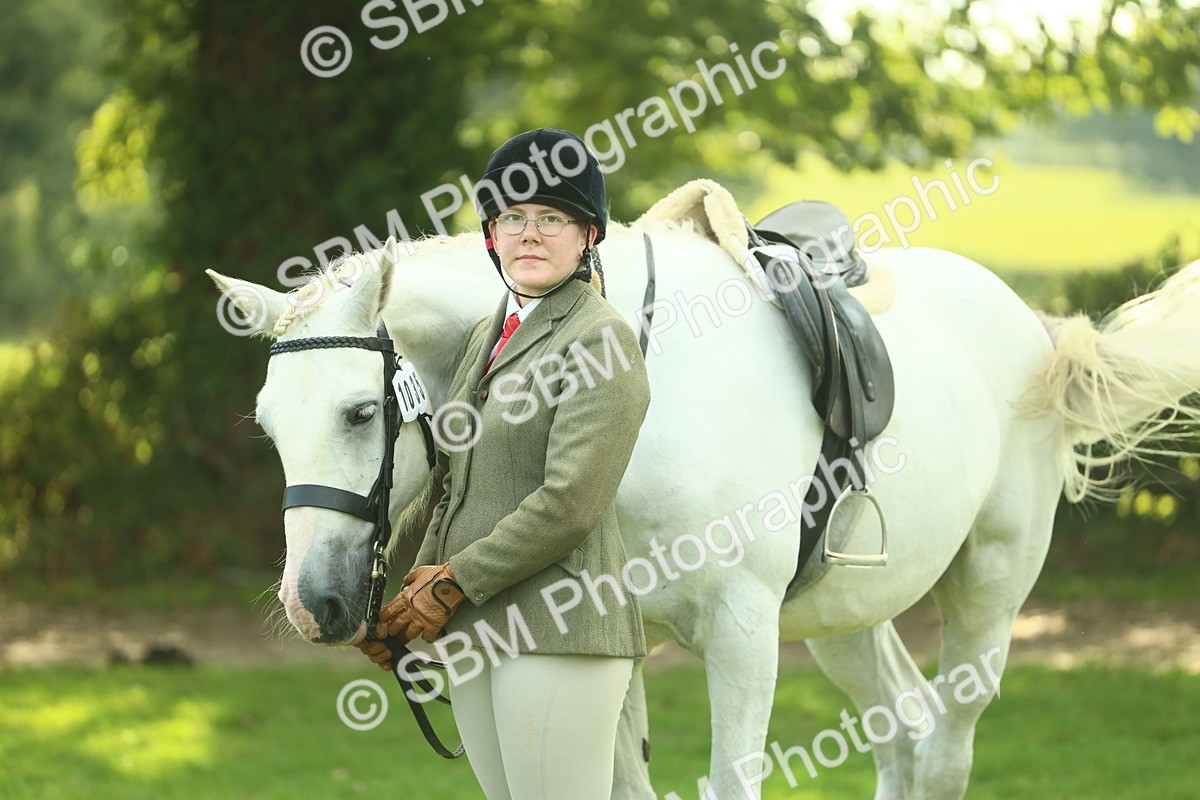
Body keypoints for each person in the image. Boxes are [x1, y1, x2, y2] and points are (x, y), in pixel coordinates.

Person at [357, 128, 651, 799]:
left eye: (552, 219)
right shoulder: (487, 335)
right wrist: (409, 605)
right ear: (491, 235)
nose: (530, 234)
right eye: (512, 218)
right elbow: (456, 483)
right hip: (479, 627)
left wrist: (454, 582)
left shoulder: (600, 338)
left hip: (560, 629)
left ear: (588, 237)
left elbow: (570, 502)